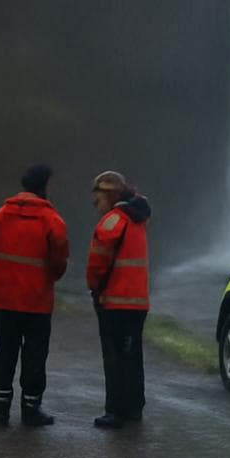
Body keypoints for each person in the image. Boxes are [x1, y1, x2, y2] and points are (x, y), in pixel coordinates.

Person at [0, 164, 68, 427]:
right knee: (34, 356)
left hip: (4, 299)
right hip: (37, 301)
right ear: (44, 186)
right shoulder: (52, 220)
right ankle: (31, 410)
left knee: (4, 353)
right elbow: (59, 262)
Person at [85, 171, 152, 428]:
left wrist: (93, 287)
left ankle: (113, 411)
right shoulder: (138, 219)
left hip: (114, 302)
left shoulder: (112, 221)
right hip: (138, 302)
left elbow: (97, 263)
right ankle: (134, 407)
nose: (96, 203)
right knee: (132, 356)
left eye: (98, 197)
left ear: (110, 195)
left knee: (113, 358)